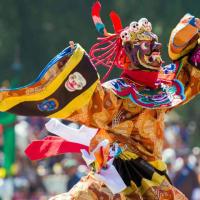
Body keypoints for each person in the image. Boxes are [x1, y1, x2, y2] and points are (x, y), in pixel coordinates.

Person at [0, 1, 199, 199]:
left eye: (155, 43)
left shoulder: (165, 87)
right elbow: (85, 103)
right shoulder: (116, 93)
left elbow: (190, 73)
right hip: (114, 179)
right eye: (147, 45)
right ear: (129, 53)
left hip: (153, 180)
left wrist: (184, 37)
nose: (156, 48)